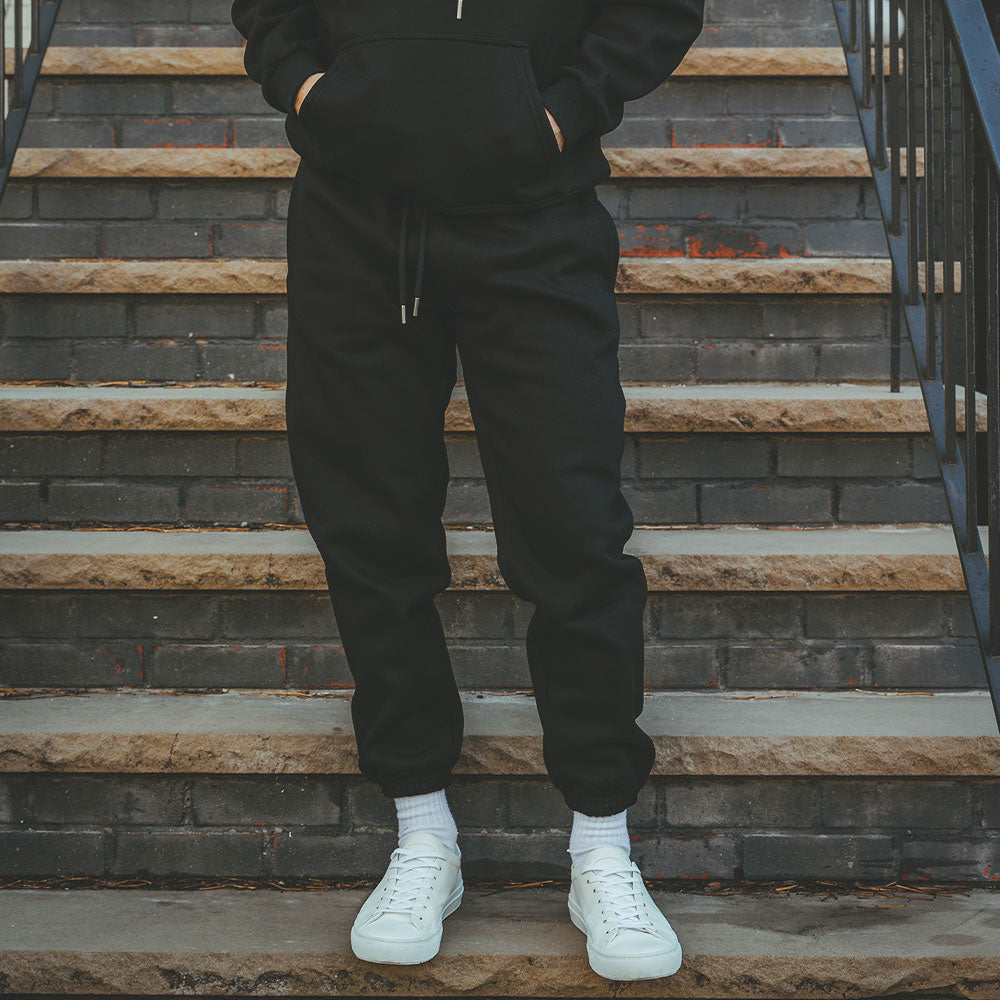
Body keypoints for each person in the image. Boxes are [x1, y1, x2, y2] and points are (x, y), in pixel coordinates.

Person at [231, 0, 705, 981]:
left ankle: (601, 844)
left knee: (574, 530)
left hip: (537, 218)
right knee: (371, 533)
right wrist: (312, 89)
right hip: (353, 224)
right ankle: (423, 833)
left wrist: (557, 114)